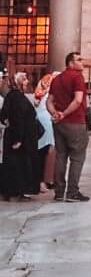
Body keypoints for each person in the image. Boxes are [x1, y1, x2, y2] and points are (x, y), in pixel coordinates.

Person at [47, 51, 90, 202]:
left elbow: (49, 101)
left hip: (59, 124)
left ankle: (59, 192)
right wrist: (64, 114)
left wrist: (55, 114)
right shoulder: (77, 77)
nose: (82, 62)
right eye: (79, 60)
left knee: (61, 156)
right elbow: (78, 100)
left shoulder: (56, 79)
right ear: (71, 63)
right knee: (77, 157)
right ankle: (72, 192)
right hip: (75, 122)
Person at [1, 73, 38, 201]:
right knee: (18, 165)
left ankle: (14, 191)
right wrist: (19, 139)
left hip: (17, 135)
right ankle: (15, 192)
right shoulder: (16, 97)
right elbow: (18, 118)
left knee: (16, 164)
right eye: (25, 80)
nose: (27, 82)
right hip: (19, 137)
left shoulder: (13, 96)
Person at [32, 74, 55, 194]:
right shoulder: (50, 96)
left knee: (42, 151)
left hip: (41, 122)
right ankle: (44, 180)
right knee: (46, 152)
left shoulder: (42, 95)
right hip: (48, 122)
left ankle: (44, 179)